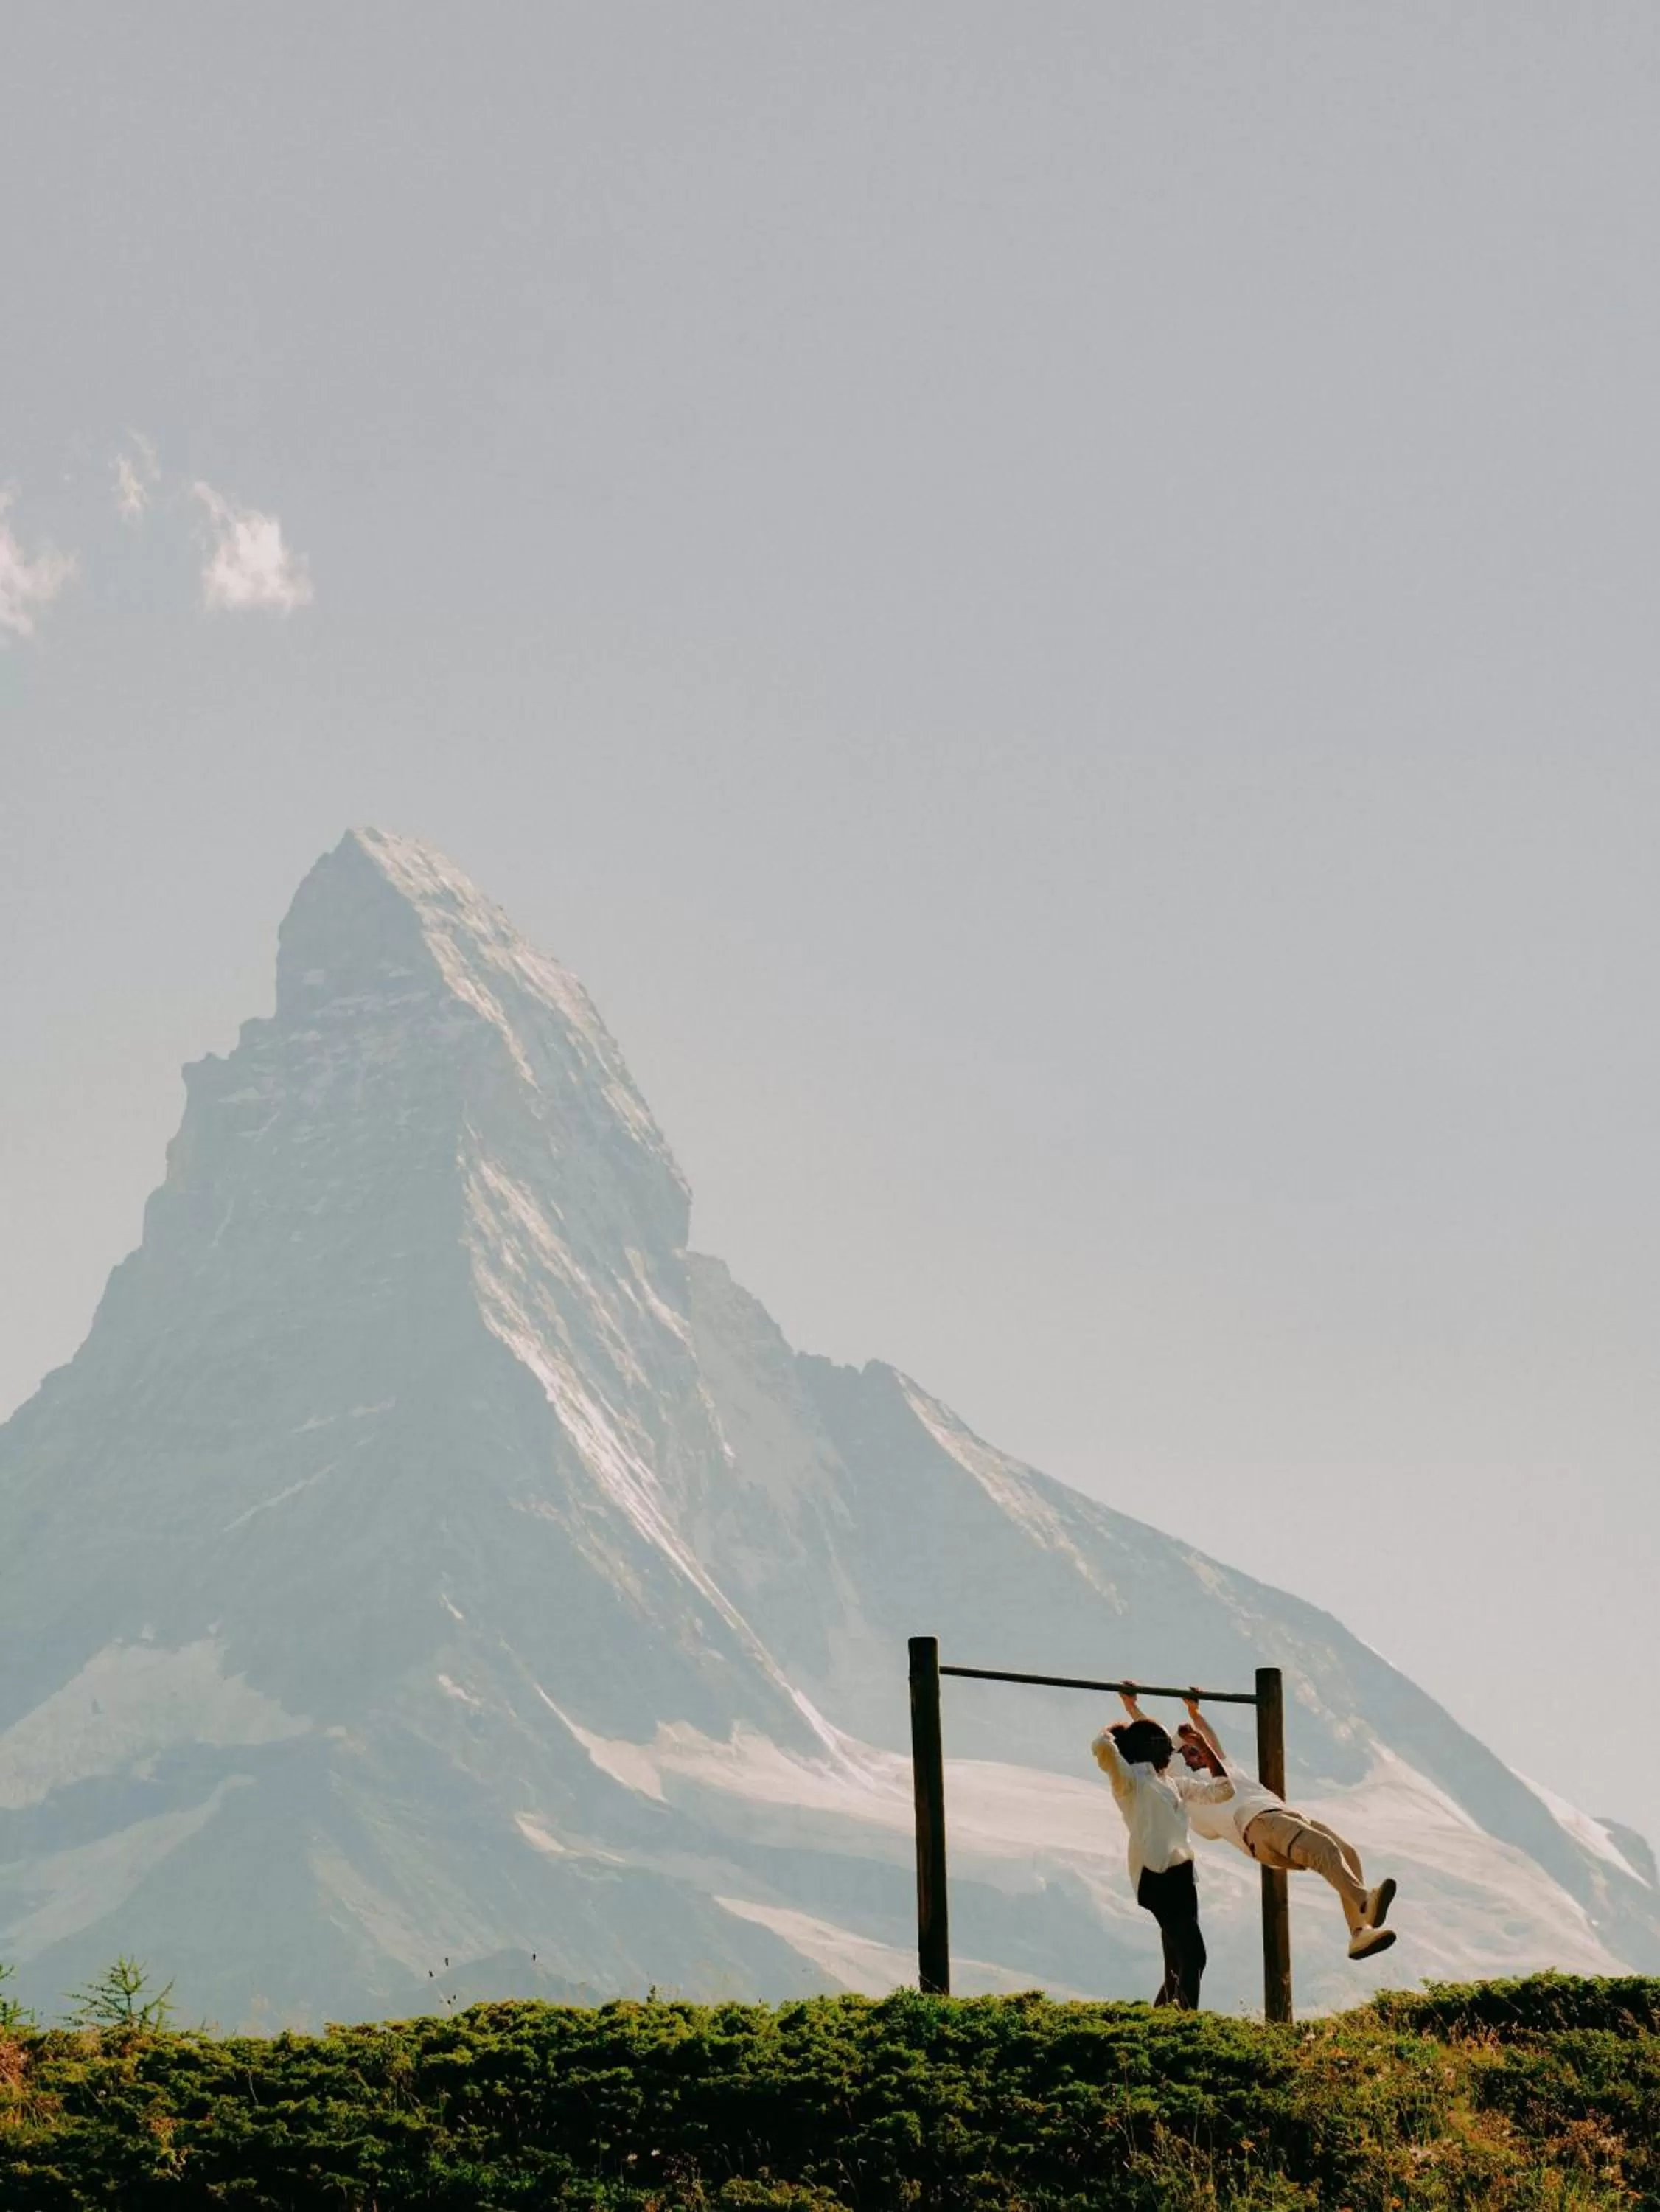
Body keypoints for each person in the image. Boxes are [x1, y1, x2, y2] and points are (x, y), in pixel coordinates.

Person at [1155, 1688, 1398, 1961]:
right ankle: (1365, 1900)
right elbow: (1163, 1749)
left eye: (1201, 1749)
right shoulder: (1190, 1788)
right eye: (1190, 1751)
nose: (1198, 1752)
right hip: (1258, 1824)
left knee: (1346, 1852)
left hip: (1282, 1814)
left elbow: (1211, 1741)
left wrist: (1195, 1713)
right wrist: (1150, 1717)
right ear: (1181, 1760)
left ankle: (1359, 1934)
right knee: (1324, 1848)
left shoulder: (1225, 1768)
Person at [1090, 1687, 1221, 2007]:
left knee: (1177, 1969)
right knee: (1195, 1957)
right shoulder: (1130, 1782)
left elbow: (1223, 1790)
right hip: (1157, 1875)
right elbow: (1102, 1748)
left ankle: (1159, 2027)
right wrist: (1113, 1730)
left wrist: (1203, 1744)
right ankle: (1184, 2032)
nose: (1173, 1751)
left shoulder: (1171, 1781)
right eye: (1165, 1745)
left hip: (1182, 1874)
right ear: (1148, 1747)